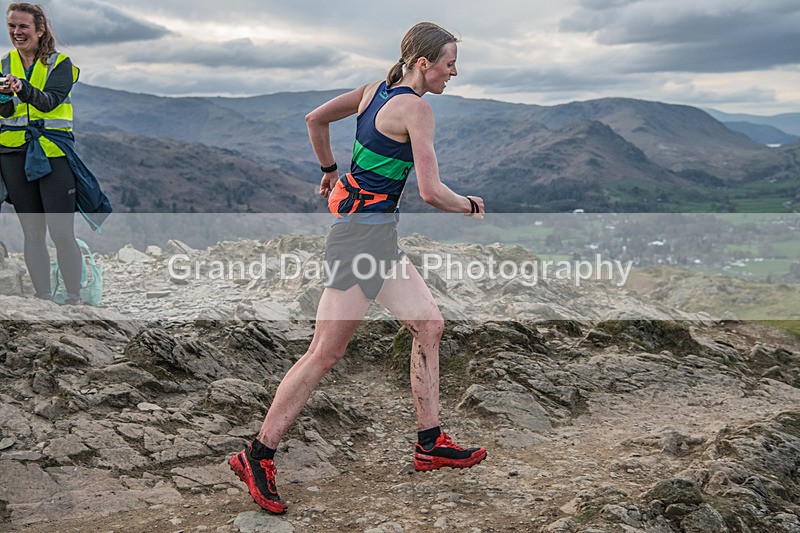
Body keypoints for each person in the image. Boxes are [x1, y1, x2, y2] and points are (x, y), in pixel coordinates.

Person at [230, 22, 487, 514]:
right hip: (359, 245)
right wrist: (470, 206)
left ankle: (430, 444)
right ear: (422, 63)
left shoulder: (373, 92)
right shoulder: (416, 108)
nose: (454, 72)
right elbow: (432, 192)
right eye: (449, 63)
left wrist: (329, 171)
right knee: (324, 354)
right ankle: (256, 455)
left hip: (375, 241)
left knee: (429, 325)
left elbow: (314, 119)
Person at [0, 2, 110, 304]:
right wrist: (3, 97)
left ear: (40, 29)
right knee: (32, 233)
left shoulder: (59, 63)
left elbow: (49, 101)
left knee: (61, 232)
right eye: (11, 26)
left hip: (53, 155)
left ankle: (74, 299)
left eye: (23, 26)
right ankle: (44, 299)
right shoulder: (4, 63)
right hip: (13, 155)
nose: (16, 32)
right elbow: (6, 111)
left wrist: (21, 88)